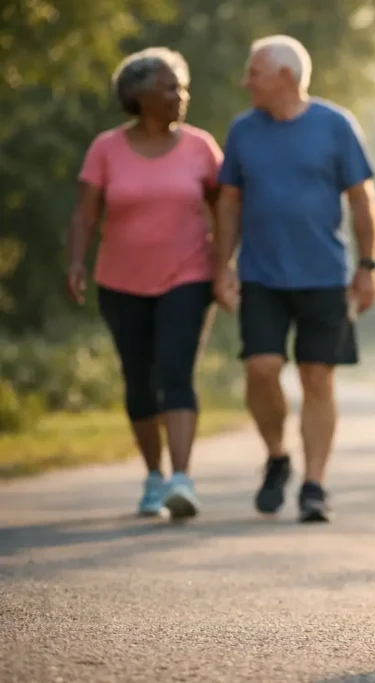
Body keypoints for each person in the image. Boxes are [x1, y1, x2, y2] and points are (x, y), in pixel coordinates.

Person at [213, 35, 375, 523]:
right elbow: (228, 203)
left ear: (285, 76)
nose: (247, 81)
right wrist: (221, 265)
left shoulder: (335, 125)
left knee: (316, 377)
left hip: (325, 276)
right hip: (262, 275)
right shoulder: (243, 130)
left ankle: (314, 484)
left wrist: (368, 267)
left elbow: (361, 200)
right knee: (261, 368)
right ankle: (276, 456)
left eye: (254, 73)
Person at [65, 47, 222, 520]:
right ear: (137, 95)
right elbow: (86, 213)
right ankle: (154, 476)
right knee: (139, 378)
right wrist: (75, 260)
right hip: (120, 280)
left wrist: (226, 264)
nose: (181, 95)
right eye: (170, 86)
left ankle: (182, 479)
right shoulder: (106, 148)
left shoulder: (201, 147)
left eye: (182, 86)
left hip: (188, 275)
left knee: (175, 370)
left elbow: (225, 207)